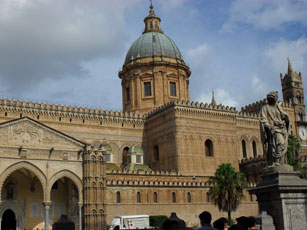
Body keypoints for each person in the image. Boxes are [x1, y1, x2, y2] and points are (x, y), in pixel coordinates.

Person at [260, 91, 290, 166]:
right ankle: (276, 162)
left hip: (282, 129)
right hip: (274, 130)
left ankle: (282, 162)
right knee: (278, 143)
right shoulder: (265, 108)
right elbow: (262, 118)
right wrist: (269, 126)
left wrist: (285, 117)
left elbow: (285, 117)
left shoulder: (278, 107)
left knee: (282, 144)